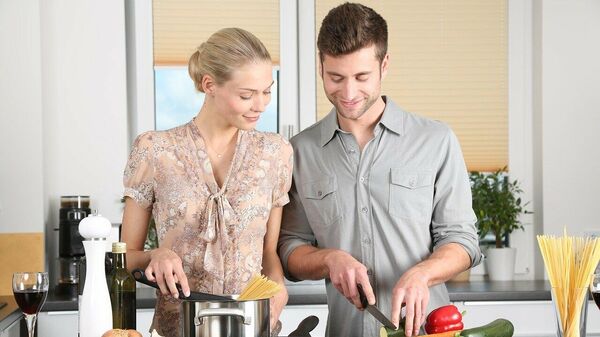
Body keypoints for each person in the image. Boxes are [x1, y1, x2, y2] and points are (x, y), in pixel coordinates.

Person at [278, 3, 482, 337]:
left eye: (361, 77)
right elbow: (290, 249)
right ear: (320, 66)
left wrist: (424, 273)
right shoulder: (301, 151)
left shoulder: (435, 140)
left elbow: (462, 241)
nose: (348, 93)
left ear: (384, 65)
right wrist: (329, 259)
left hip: (430, 330)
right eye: (336, 77)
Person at [121, 28, 293, 337]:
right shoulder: (155, 150)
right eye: (247, 95)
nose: (261, 105)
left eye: (267, 90)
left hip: (254, 327)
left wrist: (278, 287)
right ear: (209, 85)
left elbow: (269, 253)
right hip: (180, 328)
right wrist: (155, 255)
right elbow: (125, 255)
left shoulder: (277, 152)